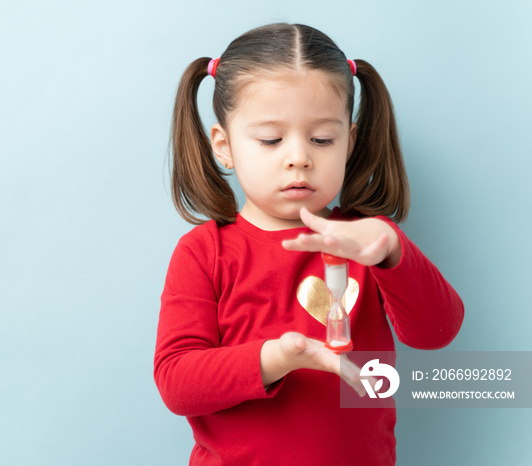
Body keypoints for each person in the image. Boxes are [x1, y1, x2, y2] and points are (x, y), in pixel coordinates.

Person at [154, 22, 464, 465]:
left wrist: (394, 249)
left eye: (322, 139)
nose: (299, 156)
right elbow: (177, 383)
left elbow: (437, 333)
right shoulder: (205, 252)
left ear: (350, 142)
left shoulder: (366, 242)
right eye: (270, 139)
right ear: (224, 146)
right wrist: (276, 357)